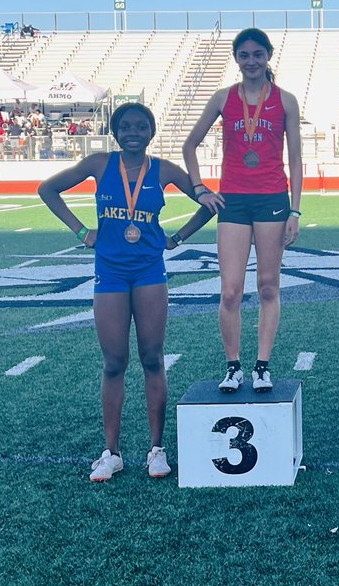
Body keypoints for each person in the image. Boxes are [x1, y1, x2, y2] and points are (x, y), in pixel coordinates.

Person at [38, 104, 215, 482]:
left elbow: (209, 203)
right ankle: (112, 452)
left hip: (150, 271)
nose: (133, 132)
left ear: (151, 131)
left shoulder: (163, 170)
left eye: (141, 126)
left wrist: (178, 238)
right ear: (115, 131)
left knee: (152, 357)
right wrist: (81, 231)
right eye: (125, 126)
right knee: (114, 362)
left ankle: (156, 449)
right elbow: (47, 189)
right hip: (110, 272)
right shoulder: (100, 163)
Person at [183, 27, 303, 394]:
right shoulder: (223, 98)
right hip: (233, 202)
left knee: (268, 286)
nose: (251, 61)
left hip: (272, 200)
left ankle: (262, 366)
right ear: (237, 60)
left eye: (257, 54)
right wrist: (200, 188)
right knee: (231, 291)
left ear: (268, 57)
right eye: (244, 55)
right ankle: (233, 366)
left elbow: (296, 158)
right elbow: (190, 145)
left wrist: (295, 211)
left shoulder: (285, 100)